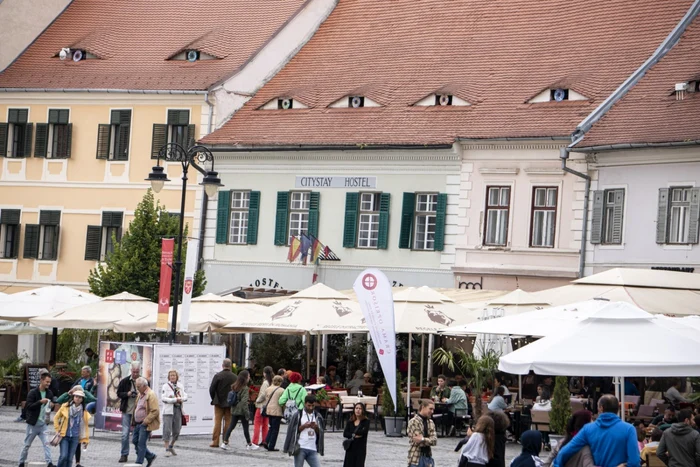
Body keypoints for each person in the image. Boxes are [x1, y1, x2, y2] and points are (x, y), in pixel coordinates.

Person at [554, 395, 640, 467]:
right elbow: (634, 462)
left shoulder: (588, 429)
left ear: (601, 408)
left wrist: (556, 465)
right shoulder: (629, 429)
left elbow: (565, 452)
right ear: (617, 409)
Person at [55, 385, 98, 467]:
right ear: (73, 397)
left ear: (82, 399)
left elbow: (84, 427)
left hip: (75, 436)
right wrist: (57, 430)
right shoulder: (65, 406)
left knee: (70, 459)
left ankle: (77, 462)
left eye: (80, 397)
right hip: (64, 435)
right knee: (63, 456)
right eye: (76, 396)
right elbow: (56, 416)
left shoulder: (83, 411)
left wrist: (83, 391)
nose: (78, 398)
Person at [18, 372, 54, 467]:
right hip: (32, 424)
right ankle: (21, 462)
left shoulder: (49, 393)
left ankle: (49, 462)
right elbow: (28, 406)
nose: (48, 384)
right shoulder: (33, 392)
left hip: (43, 425)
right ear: (41, 380)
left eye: (49, 382)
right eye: (47, 382)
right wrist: (40, 402)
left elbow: (51, 407)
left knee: (47, 444)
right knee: (26, 445)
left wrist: (52, 405)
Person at [283, 395, 325, 466]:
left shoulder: (317, 416)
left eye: (313, 406)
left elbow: (321, 433)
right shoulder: (298, 415)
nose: (311, 407)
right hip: (300, 448)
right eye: (309, 405)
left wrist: (316, 428)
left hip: (312, 448)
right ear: (305, 403)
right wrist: (304, 426)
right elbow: (292, 431)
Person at [221, 370, 258, 450]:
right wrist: (247, 413)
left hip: (234, 410)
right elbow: (244, 402)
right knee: (245, 428)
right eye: (248, 376)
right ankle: (249, 444)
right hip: (242, 411)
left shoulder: (234, 386)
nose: (249, 378)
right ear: (245, 378)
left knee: (231, 426)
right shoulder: (245, 388)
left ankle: (225, 442)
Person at [208, 358, 237, 448]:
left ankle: (215, 441)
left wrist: (214, 398)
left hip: (218, 402)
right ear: (230, 366)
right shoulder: (234, 377)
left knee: (217, 422)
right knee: (228, 422)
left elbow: (212, 389)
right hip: (230, 403)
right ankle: (225, 440)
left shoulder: (218, 376)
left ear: (222, 365)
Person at [117, 362, 141, 462]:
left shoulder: (143, 381)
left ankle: (140, 454)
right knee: (125, 434)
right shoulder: (125, 381)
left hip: (138, 412)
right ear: (131, 371)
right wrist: (128, 393)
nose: (135, 374)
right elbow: (118, 393)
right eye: (133, 372)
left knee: (139, 435)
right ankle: (124, 454)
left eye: (137, 372)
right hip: (127, 410)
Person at [132, 377, 159, 466]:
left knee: (141, 443)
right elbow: (137, 407)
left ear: (144, 386)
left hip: (144, 423)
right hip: (137, 423)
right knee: (135, 441)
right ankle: (150, 456)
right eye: (136, 386)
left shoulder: (151, 395)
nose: (137, 388)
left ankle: (139, 463)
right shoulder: (140, 394)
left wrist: (146, 421)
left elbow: (155, 410)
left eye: (138, 386)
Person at [161, 369, 187, 456]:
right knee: (167, 430)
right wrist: (174, 400)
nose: (172, 377)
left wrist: (181, 399)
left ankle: (171, 445)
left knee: (177, 430)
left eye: (174, 375)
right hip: (168, 411)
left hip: (178, 410)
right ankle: (167, 448)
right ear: (169, 377)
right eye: (171, 375)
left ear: (177, 377)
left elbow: (185, 396)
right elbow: (163, 398)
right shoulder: (165, 386)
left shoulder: (180, 386)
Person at [407, 399, 438, 467]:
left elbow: (434, 441)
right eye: (430, 409)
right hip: (416, 459)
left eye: (433, 409)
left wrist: (423, 439)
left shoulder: (430, 422)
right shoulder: (414, 422)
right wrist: (427, 440)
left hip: (428, 458)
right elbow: (418, 441)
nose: (432, 411)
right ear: (423, 407)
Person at [343, 402, 370, 467]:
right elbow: (345, 433)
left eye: (360, 408)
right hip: (350, 448)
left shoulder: (366, 421)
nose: (358, 410)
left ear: (363, 410)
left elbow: (363, 432)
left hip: (360, 449)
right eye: (356, 408)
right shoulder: (350, 421)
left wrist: (352, 433)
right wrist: (354, 435)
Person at [262, 375, 285, 451]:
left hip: (269, 410)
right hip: (277, 410)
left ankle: (266, 441)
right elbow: (282, 402)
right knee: (275, 429)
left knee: (271, 427)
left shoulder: (268, 389)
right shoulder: (281, 390)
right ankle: (271, 445)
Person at [253, 366, 274, 448]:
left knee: (257, 423)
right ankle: (264, 440)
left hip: (262, 405)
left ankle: (255, 441)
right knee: (265, 424)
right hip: (268, 405)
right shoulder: (272, 382)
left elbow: (263, 394)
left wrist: (257, 400)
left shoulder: (265, 383)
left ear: (264, 373)